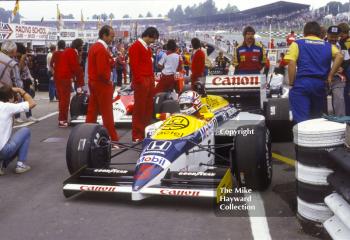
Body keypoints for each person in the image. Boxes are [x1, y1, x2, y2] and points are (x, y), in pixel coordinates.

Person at [284, 21, 343, 124]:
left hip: (302, 84)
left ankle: (303, 138)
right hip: (320, 85)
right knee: (317, 119)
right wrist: (330, 76)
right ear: (319, 32)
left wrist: (291, 83)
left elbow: (292, 63)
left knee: (301, 120)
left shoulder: (297, 43)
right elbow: (340, 56)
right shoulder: (328, 45)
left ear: (304, 32)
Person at [86, 25, 120, 141]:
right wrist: (108, 81)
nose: (112, 39)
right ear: (104, 35)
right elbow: (102, 71)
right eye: (111, 36)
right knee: (107, 112)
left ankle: (86, 135)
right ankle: (113, 138)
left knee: (93, 110)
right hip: (102, 83)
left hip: (94, 82)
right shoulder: (101, 49)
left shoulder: (95, 47)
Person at [128, 27, 159, 142]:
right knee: (139, 109)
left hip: (149, 80)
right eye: (153, 39)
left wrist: (152, 81)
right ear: (148, 36)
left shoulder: (147, 48)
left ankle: (145, 131)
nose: (153, 41)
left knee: (148, 108)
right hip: (142, 81)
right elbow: (134, 67)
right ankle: (136, 134)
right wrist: (140, 82)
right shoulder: (135, 47)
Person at [0, 85, 36, 175]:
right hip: (3, 151)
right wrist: (21, 90)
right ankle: (21, 165)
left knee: (8, 139)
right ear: (10, 97)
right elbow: (32, 103)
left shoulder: (7, 107)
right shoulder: (7, 107)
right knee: (25, 131)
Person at [53, 39, 84, 127]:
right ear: (78, 45)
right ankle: (62, 120)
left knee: (62, 100)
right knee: (65, 100)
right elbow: (76, 67)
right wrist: (80, 83)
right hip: (64, 78)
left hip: (60, 77)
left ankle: (62, 119)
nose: (82, 47)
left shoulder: (68, 51)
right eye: (82, 45)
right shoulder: (72, 52)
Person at [16, 43, 38, 122]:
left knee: (27, 98)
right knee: (18, 99)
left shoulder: (25, 59)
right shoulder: (14, 59)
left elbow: (29, 68)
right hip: (18, 81)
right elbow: (18, 70)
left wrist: (29, 59)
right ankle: (17, 117)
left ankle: (29, 116)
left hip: (26, 81)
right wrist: (21, 59)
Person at [338, 23, 350, 115]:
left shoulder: (346, 42)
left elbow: (347, 59)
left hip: (347, 72)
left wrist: (342, 67)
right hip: (345, 71)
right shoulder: (342, 41)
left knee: (346, 95)